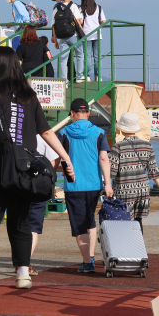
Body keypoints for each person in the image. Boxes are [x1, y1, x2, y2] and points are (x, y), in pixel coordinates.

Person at [0, 46, 74, 290]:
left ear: (0, 65)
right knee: (21, 222)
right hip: (24, 173)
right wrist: (66, 157)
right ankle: (23, 272)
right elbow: (45, 131)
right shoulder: (29, 95)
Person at [57, 98, 113, 273]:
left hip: (73, 186)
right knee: (90, 221)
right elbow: (104, 159)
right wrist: (108, 184)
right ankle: (91, 256)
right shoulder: (99, 133)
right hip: (94, 185)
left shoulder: (64, 133)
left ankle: (87, 263)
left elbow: (58, 158)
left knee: (79, 226)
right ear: (88, 113)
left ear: (72, 114)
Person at [109, 112, 159, 234]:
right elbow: (154, 172)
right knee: (138, 221)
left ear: (121, 129)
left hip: (124, 191)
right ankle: (138, 248)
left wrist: (107, 187)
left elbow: (112, 172)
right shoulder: (147, 145)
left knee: (124, 221)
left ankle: (126, 250)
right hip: (142, 191)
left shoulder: (117, 147)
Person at [25, 135, 59, 276]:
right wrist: (48, 176)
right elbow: (55, 158)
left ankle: (21, 261)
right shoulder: (43, 136)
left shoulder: (14, 133)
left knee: (18, 224)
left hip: (17, 184)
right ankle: (24, 263)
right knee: (33, 226)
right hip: (38, 186)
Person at [51, 0, 85, 82]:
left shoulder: (56, 7)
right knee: (80, 55)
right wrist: (83, 32)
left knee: (63, 59)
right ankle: (79, 76)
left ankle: (64, 80)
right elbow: (79, 21)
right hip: (73, 35)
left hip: (61, 37)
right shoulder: (73, 6)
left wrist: (55, 39)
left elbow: (53, 25)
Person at [80, 0, 107, 82]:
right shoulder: (99, 8)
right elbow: (103, 21)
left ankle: (87, 75)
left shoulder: (82, 8)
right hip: (97, 35)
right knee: (97, 56)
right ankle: (98, 76)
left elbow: (80, 22)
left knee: (87, 56)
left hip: (86, 35)